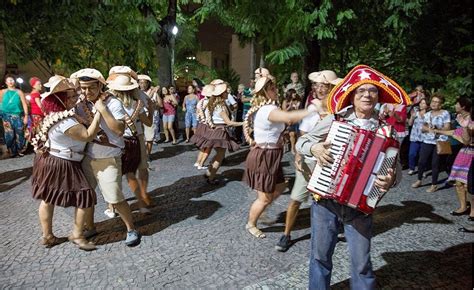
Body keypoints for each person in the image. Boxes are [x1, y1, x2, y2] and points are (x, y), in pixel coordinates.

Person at [296, 65, 408, 289]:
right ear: (352, 96)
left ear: (378, 96)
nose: (367, 95)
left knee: (362, 264)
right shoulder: (336, 120)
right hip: (326, 201)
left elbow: (397, 173)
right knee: (320, 258)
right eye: (361, 91)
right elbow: (302, 142)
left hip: (361, 206)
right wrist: (315, 148)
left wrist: (390, 180)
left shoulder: (387, 131)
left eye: (372, 91)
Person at [243, 74, 317, 239]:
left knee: (281, 186)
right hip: (265, 156)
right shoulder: (269, 110)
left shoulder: (268, 108)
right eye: (273, 88)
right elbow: (289, 118)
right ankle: (251, 223)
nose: (276, 91)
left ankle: (263, 206)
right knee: (264, 197)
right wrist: (313, 109)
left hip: (271, 155)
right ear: (266, 92)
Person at [72, 68, 141, 247]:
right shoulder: (81, 104)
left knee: (114, 197)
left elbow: (118, 130)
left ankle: (131, 229)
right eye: (83, 88)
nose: (87, 92)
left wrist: (102, 109)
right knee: (86, 195)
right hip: (88, 158)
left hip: (109, 158)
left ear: (100, 86)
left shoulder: (112, 103)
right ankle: (91, 227)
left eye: (91, 88)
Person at [31, 75, 101, 251]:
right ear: (60, 99)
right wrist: (100, 112)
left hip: (50, 159)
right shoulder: (65, 121)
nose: (75, 99)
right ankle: (77, 235)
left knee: (48, 199)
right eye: (71, 97)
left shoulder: (54, 115)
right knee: (85, 196)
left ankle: (47, 236)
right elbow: (87, 136)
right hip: (63, 162)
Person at [276, 70, 339, 252]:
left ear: (332, 88)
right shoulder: (312, 107)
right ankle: (286, 235)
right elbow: (303, 134)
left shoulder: (339, 110)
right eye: (317, 85)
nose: (319, 89)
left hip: (328, 161)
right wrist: (298, 155)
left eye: (324, 85)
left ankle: (331, 231)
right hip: (307, 159)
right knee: (296, 198)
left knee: (329, 199)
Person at [106, 71, 153, 215]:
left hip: (116, 140)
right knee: (132, 174)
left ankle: (111, 207)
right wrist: (151, 110)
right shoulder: (137, 103)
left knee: (113, 176)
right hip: (135, 139)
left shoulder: (109, 103)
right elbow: (149, 123)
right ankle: (141, 204)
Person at [433, 97, 472, 217]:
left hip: (471, 153)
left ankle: (472, 211)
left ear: (463, 106)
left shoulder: (471, 119)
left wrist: (459, 137)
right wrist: (436, 131)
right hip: (463, 153)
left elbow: (465, 140)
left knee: (468, 184)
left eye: (457, 103)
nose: (455, 105)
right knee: (459, 182)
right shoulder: (460, 118)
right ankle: (462, 206)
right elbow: (455, 132)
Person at [201, 81, 243, 184]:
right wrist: (243, 123)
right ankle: (211, 178)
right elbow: (229, 122)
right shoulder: (221, 106)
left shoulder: (216, 104)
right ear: (222, 94)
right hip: (220, 132)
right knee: (219, 157)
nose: (228, 94)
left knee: (218, 155)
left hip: (216, 131)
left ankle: (209, 173)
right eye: (226, 92)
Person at [412, 94, 451, 193]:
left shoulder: (445, 113)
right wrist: (428, 129)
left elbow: (447, 128)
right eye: (433, 101)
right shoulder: (428, 114)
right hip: (427, 140)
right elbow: (423, 127)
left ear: (441, 104)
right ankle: (419, 180)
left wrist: (437, 129)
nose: (434, 103)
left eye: (436, 102)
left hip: (440, 141)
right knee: (421, 161)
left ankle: (434, 184)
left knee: (435, 163)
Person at [0, 75, 29, 157]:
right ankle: (12, 151)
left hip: (18, 116)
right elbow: (0, 103)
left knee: (20, 133)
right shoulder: (2, 92)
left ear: (14, 81)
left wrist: (26, 116)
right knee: (9, 135)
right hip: (6, 116)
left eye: (12, 80)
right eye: (8, 80)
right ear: (6, 82)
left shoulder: (19, 92)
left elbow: (24, 104)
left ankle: (20, 150)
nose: (10, 81)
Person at [191, 84, 214, 170]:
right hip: (207, 126)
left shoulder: (200, 101)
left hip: (201, 125)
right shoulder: (209, 103)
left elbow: (197, 115)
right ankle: (201, 163)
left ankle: (197, 162)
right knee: (208, 146)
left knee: (202, 146)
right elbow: (209, 116)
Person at [138, 74, 162, 156]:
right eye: (140, 83)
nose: (142, 85)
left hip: (151, 117)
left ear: (148, 83)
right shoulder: (137, 93)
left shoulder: (154, 93)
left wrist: (155, 105)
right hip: (139, 117)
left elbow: (160, 105)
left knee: (149, 137)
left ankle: (148, 154)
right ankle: (141, 154)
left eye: (144, 83)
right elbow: (145, 100)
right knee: (140, 136)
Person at [407, 98, 429, 175]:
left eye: (423, 103)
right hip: (415, 137)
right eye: (421, 103)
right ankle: (412, 168)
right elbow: (410, 124)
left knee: (422, 156)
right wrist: (412, 117)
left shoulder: (429, 115)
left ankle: (423, 170)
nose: (421, 105)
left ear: (427, 105)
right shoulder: (416, 113)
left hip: (425, 138)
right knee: (412, 154)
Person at [282, 89, 302, 154]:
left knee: (298, 134)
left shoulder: (297, 101)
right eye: (294, 93)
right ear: (290, 94)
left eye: (295, 93)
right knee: (292, 134)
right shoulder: (285, 101)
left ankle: (297, 147)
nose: (295, 94)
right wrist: (290, 107)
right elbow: (284, 111)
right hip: (289, 120)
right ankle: (292, 148)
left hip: (297, 119)